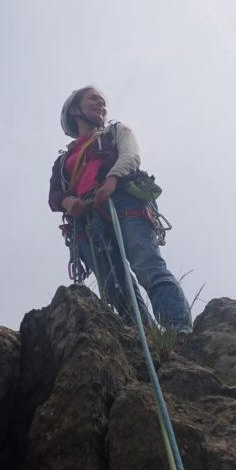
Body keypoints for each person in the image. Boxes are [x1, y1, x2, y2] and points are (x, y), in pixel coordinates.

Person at [48, 86, 192, 331]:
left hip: (122, 201)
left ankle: (179, 331)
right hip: (87, 221)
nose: (101, 105)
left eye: (103, 101)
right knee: (114, 286)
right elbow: (55, 194)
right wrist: (68, 202)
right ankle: (142, 337)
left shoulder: (116, 131)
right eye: (93, 99)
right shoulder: (63, 160)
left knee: (148, 265)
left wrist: (112, 180)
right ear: (75, 110)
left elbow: (131, 156)